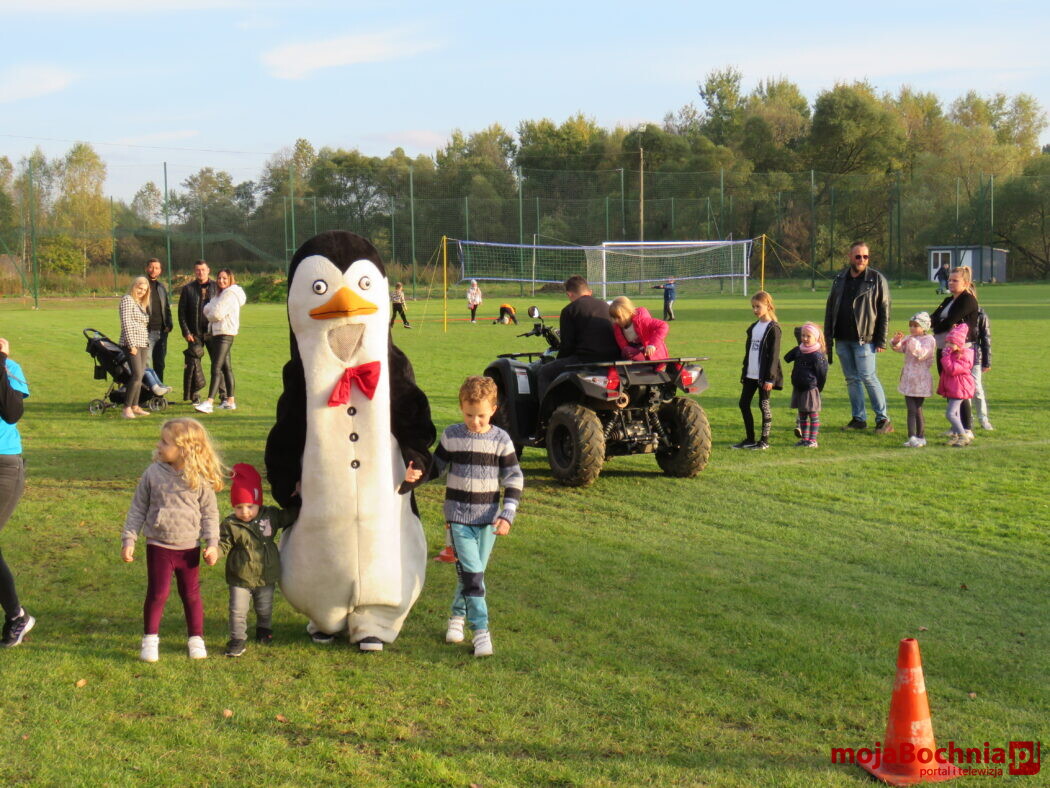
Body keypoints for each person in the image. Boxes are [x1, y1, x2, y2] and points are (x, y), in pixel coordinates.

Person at [413, 376, 522, 658]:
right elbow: (436, 468)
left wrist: (508, 513)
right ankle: (481, 632)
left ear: (493, 410)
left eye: (481, 416)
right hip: (458, 518)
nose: (474, 421)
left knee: (473, 574)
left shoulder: (501, 440)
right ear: (461, 407)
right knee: (473, 576)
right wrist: (415, 475)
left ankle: (456, 618)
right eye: (469, 415)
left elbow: (514, 478)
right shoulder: (452, 435)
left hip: (489, 520)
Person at [121, 418, 222, 661]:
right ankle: (150, 640)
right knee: (158, 593)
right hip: (158, 545)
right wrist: (129, 539)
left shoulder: (199, 478)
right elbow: (138, 508)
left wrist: (212, 544)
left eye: (165, 442)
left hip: (189, 548)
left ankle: (196, 638)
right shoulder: (152, 473)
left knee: (191, 594)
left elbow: (210, 513)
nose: (158, 445)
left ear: (184, 448)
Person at [219, 463, 298, 657]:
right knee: (237, 610)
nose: (245, 512)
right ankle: (237, 640)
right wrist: (215, 552)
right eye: (239, 507)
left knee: (264, 607)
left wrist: (299, 500)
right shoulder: (231, 524)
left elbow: (289, 515)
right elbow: (223, 544)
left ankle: (264, 629)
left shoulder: (270, 516)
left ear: (258, 503)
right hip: (240, 577)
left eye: (250, 506)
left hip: (265, 575)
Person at [824, 241, 893, 434]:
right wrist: (828, 338)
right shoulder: (840, 278)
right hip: (842, 338)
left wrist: (881, 339)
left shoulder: (876, 279)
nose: (862, 260)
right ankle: (858, 418)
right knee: (852, 379)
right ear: (850, 257)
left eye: (865, 256)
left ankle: (883, 419)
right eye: (858, 256)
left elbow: (884, 310)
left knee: (868, 377)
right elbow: (830, 308)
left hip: (865, 339)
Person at [0, 337, 34, 647]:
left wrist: (0, 364)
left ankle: (16, 616)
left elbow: (11, 412)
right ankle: (16, 616)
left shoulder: (10, 368)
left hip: (4, 466)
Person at [536, 275, 620, 398]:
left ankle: (546, 409)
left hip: (586, 360)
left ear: (569, 294)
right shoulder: (606, 306)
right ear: (589, 292)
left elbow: (567, 346)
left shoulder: (569, 310)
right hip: (614, 359)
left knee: (544, 372)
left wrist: (558, 360)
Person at [930, 266, 979, 440]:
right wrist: (932, 323)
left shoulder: (968, 300)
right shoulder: (948, 299)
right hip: (943, 348)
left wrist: (936, 326)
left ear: (965, 283)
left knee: (959, 389)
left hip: (959, 351)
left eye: (955, 280)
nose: (950, 283)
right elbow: (933, 317)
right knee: (949, 387)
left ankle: (966, 428)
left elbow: (951, 320)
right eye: (949, 280)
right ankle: (955, 426)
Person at [733, 291, 782, 450]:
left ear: (768, 306)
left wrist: (770, 378)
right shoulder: (754, 327)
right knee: (743, 404)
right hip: (750, 374)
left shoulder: (773, 328)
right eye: (753, 307)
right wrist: (745, 371)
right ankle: (750, 439)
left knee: (764, 406)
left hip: (764, 376)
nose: (755, 310)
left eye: (758, 306)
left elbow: (774, 355)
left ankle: (764, 441)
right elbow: (749, 352)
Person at [195, 269, 246, 414]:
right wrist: (211, 311)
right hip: (219, 332)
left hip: (224, 333)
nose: (221, 281)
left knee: (216, 367)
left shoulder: (229, 294)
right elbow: (207, 307)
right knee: (226, 367)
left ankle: (209, 402)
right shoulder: (221, 294)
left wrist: (211, 313)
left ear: (230, 279)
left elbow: (216, 314)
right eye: (219, 278)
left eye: (225, 278)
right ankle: (230, 401)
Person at [890, 312, 937, 448]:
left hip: (920, 379)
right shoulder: (910, 338)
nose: (912, 329)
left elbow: (922, 354)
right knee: (911, 409)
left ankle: (918, 436)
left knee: (916, 409)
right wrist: (896, 341)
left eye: (915, 326)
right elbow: (900, 348)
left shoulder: (929, 339)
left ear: (924, 327)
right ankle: (913, 437)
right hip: (908, 378)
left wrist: (913, 341)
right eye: (910, 326)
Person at [178, 260, 220, 404]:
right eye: (197, 270)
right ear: (194, 271)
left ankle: (223, 394)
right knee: (193, 365)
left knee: (218, 364)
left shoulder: (216, 286)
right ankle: (194, 395)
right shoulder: (187, 289)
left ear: (208, 270)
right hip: (194, 334)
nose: (200, 272)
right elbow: (181, 313)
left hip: (213, 333)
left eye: (203, 270)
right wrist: (186, 332)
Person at [783, 322, 827, 448]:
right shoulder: (799, 350)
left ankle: (812, 441)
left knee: (812, 414)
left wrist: (817, 388)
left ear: (816, 338)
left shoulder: (817, 355)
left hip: (810, 388)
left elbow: (822, 374)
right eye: (803, 336)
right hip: (798, 387)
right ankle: (804, 439)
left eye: (808, 336)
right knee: (802, 415)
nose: (805, 338)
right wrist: (799, 348)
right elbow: (787, 357)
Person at [119, 276, 153, 420]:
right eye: (140, 288)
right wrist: (131, 344)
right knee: (136, 375)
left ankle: (135, 405)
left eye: (144, 290)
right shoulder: (127, 300)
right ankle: (126, 407)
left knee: (141, 375)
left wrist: (145, 343)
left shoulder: (140, 303)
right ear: (134, 286)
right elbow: (126, 323)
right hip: (131, 343)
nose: (142, 292)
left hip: (143, 343)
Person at [937, 323, 975, 447]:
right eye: (947, 342)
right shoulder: (952, 354)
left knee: (950, 414)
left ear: (959, 344)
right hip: (953, 387)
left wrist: (946, 357)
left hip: (960, 388)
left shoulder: (964, 356)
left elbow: (952, 370)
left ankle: (963, 436)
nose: (948, 345)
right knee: (956, 413)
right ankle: (955, 435)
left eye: (951, 343)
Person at [609, 296, 669, 364]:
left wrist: (652, 345)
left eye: (619, 317)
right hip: (637, 355)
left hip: (652, 355)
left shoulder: (641, 321)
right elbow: (624, 347)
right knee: (626, 350)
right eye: (614, 317)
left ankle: (660, 365)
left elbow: (663, 326)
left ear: (629, 312)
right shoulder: (617, 328)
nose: (616, 321)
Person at [144, 257, 173, 384]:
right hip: (146, 332)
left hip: (162, 332)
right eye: (151, 267)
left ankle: (158, 391)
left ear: (160, 271)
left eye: (156, 268)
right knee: (145, 364)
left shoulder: (161, 287)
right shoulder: (141, 286)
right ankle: (145, 391)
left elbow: (166, 308)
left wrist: (169, 324)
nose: (153, 270)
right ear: (146, 268)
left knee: (160, 364)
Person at [973, 308, 993, 431]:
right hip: (958, 356)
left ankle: (983, 418)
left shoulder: (980, 314)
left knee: (977, 388)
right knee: (961, 390)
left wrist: (987, 361)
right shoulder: (957, 311)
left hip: (975, 356)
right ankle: (967, 420)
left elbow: (985, 338)